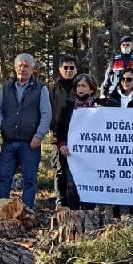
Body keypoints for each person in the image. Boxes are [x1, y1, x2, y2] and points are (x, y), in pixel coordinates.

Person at [0, 53, 52, 210]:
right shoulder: (6, 87)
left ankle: (27, 212)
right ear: (15, 67)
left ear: (32, 69)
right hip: (9, 142)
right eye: (20, 65)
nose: (22, 68)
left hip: (30, 143)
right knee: (3, 178)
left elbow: (46, 114)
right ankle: (1, 211)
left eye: (26, 66)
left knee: (29, 180)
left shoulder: (41, 88)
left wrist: (39, 135)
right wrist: (2, 125)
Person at [54, 73, 101, 211]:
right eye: (78, 86)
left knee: (91, 184)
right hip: (72, 152)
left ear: (91, 89)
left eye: (83, 86)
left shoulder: (99, 106)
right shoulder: (68, 106)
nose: (80, 88)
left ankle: (89, 214)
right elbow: (60, 128)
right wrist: (61, 144)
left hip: (92, 154)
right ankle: (74, 215)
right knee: (72, 186)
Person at [47, 56, 79, 207]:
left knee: (76, 170)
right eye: (65, 68)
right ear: (60, 69)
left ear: (76, 69)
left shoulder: (81, 85)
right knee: (59, 170)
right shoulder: (52, 87)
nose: (68, 71)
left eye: (71, 68)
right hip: (56, 134)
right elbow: (46, 110)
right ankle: (61, 202)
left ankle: (77, 202)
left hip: (79, 135)